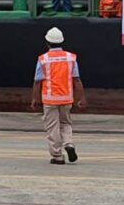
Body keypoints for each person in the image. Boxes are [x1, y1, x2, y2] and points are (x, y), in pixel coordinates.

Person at [31, 27, 87, 164]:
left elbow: (37, 81)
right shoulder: (70, 58)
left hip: (50, 99)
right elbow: (77, 80)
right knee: (65, 123)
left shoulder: (43, 59)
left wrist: (35, 99)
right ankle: (69, 143)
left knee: (52, 127)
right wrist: (81, 98)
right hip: (66, 98)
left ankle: (57, 155)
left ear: (47, 43)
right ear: (62, 41)